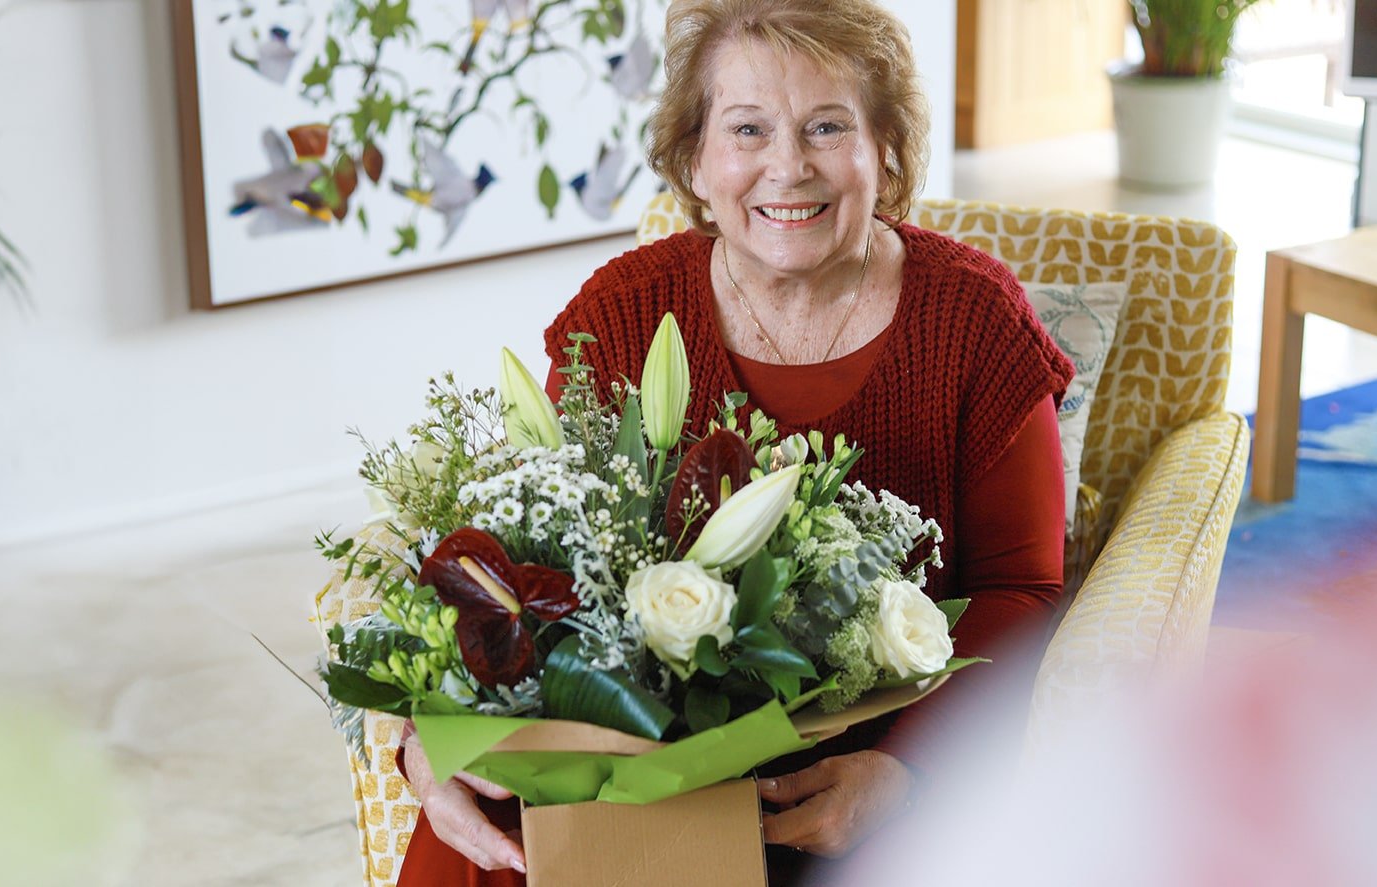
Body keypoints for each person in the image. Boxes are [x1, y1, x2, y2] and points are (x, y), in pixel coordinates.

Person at [392, 0, 1073, 883]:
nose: (787, 168)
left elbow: (1020, 588)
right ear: (696, 158)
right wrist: (427, 744)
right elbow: (508, 559)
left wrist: (910, 774)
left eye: (827, 126)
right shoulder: (623, 312)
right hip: (631, 763)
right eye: (747, 128)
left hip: (862, 761)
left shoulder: (974, 319)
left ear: (885, 147)